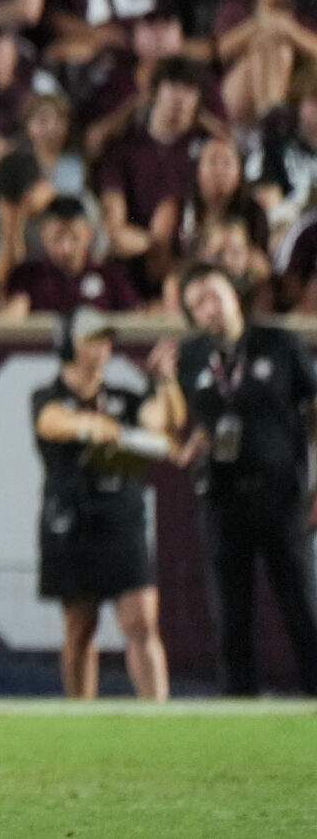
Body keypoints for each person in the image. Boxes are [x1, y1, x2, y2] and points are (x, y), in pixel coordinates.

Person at [161, 265, 317, 694]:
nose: (208, 309)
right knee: (230, 616)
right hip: (222, 498)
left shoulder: (279, 343)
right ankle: (238, 706)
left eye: (213, 295)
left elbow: (313, 407)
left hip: (282, 494)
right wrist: (170, 402)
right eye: (196, 306)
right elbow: (174, 425)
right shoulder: (190, 356)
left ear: (234, 291)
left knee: (303, 606)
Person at [33, 307, 177, 700]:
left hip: (121, 515)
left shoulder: (120, 397)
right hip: (74, 518)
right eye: (92, 339)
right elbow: (50, 421)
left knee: (142, 620)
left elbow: (153, 422)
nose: (102, 348)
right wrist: (92, 425)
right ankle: (81, 711)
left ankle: (157, 714)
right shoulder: (51, 396)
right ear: (69, 345)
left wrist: (162, 383)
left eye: (105, 339)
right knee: (80, 624)